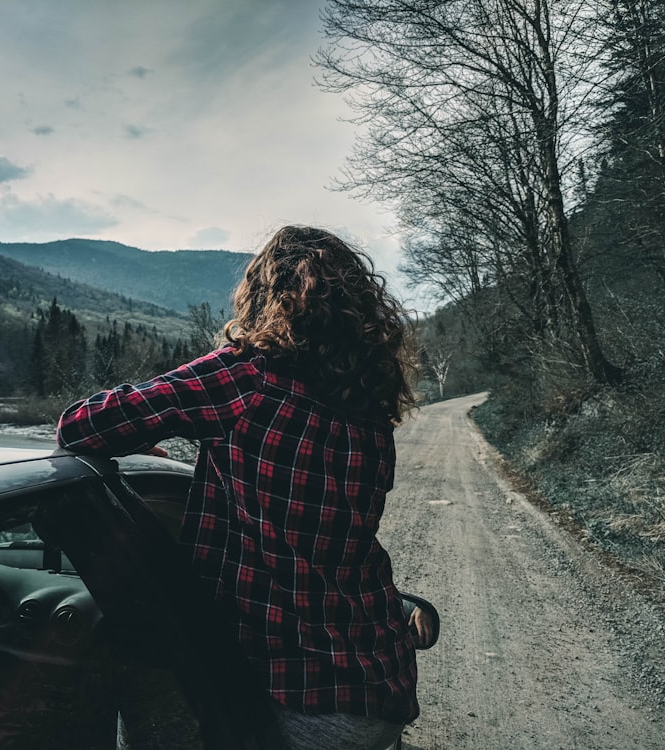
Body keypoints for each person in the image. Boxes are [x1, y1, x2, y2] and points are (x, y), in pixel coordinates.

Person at [57, 225, 425, 750]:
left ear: (265, 297)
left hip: (301, 697)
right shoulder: (369, 413)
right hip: (378, 683)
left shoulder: (247, 380)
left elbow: (82, 425)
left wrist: (138, 443)